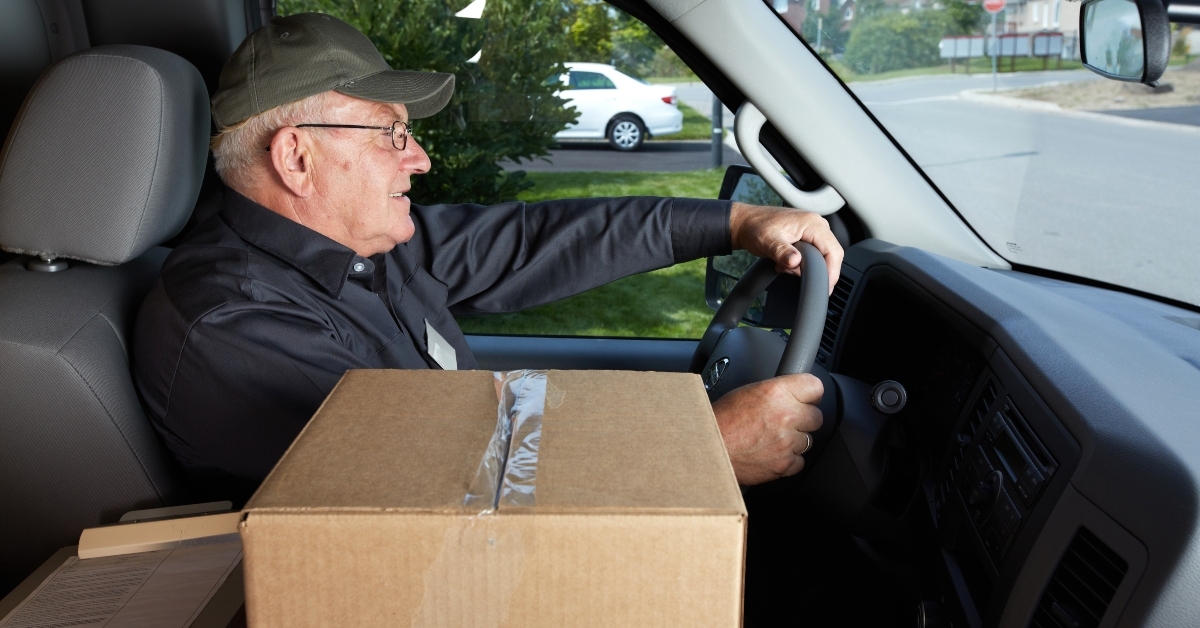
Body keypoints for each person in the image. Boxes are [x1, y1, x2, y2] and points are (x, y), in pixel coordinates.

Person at [133, 13, 844, 504]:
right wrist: (703, 448)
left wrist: (737, 221)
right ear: (296, 157)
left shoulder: (367, 249)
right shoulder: (229, 322)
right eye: (390, 134)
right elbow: (430, 483)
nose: (419, 158)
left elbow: (539, 239)